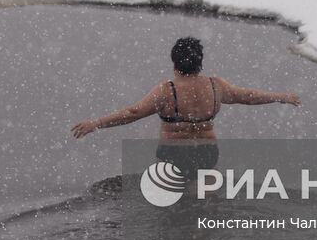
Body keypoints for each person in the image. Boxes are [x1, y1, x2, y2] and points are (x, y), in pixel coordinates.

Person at [70, 36, 300, 176]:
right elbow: (247, 96)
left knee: (172, 207)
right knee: (204, 203)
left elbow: (133, 113)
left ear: (174, 62)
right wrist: (280, 96)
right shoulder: (215, 86)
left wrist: (97, 123)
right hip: (206, 152)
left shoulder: (165, 91)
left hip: (174, 153)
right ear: (200, 62)